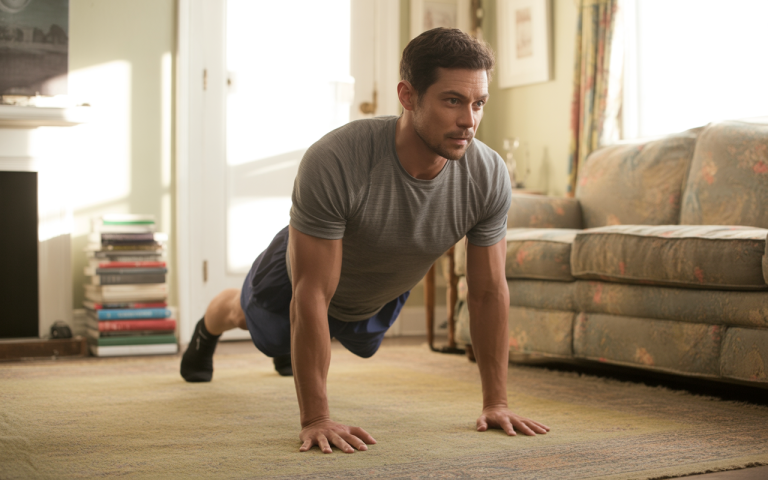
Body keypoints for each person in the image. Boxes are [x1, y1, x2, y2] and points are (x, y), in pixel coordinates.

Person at [180, 27, 550, 454]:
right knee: (250, 319)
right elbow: (311, 293)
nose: (469, 120)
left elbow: (487, 292)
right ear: (408, 96)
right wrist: (315, 418)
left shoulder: (487, 175)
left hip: (376, 288)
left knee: (340, 340)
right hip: (299, 278)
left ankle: (297, 353)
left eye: (478, 103)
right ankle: (208, 331)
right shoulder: (337, 159)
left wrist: (496, 403)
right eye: (452, 100)